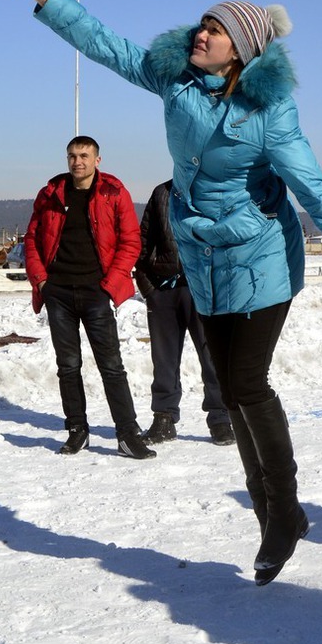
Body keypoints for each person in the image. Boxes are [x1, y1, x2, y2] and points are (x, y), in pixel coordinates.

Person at [0, 0, 322, 585]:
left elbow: (316, 189)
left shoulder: (270, 112)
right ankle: (278, 512)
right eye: (203, 24)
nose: (201, 33)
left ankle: (280, 512)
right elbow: (110, 47)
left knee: (248, 384)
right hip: (203, 261)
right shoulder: (175, 81)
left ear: (243, 49)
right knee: (229, 388)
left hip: (262, 257)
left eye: (216, 29)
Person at [24, 135, 156, 460]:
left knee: (111, 366)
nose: (77, 161)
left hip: (97, 292)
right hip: (58, 294)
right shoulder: (51, 193)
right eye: (72, 156)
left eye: (84, 155)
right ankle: (77, 432)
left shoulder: (113, 192)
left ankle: (128, 434)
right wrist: (42, 282)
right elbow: (31, 240)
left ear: (98, 160)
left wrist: (110, 285)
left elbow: (131, 241)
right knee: (68, 366)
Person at [136, 179, 235, 446]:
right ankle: (164, 418)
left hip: (205, 289)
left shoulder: (216, 188)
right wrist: (148, 288)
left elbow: (229, 237)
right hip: (164, 290)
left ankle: (221, 419)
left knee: (212, 357)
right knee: (164, 360)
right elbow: (143, 240)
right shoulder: (162, 193)